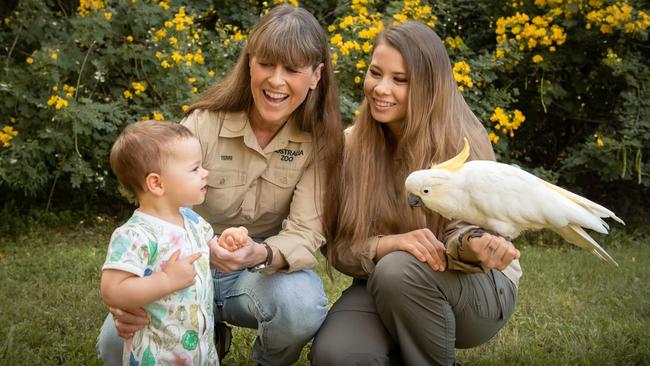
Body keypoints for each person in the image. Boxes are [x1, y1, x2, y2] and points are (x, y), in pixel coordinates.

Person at [97, 5, 344, 366]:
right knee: (114, 346)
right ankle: (208, 328)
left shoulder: (321, 143)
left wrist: (259, 254)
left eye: (291, 70)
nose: (276, 81)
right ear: (249, 64)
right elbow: (155, 203)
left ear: (315, 75)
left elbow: (305, 234)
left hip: (254, 274)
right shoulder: (204, 122)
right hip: (179, 270)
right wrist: (125, 300)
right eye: (266, 65)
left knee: (301, 306)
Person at [310, 22, 522, 365]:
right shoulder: (351, 146)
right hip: (382, 284)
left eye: (400, 80)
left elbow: (473, 232)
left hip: (476, 286)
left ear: (427, 85)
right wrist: (386, 244)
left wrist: (475, 244)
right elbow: (338, 248)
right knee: (336, 355)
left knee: (398, 271)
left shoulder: (463, 140)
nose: (381, 88)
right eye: (375, 73)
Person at [101, 120, 250, 365]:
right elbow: (112, 290)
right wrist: (166, 280)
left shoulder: (191, 220)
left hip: (199, 352)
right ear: (157, 184)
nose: (205, 173)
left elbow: (204, 249)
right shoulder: (136, 235)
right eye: (195, 169)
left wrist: (224, 243)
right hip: (158, 356)